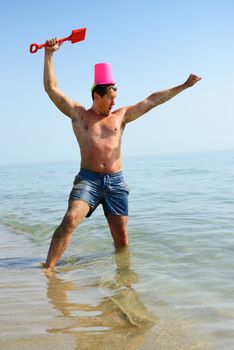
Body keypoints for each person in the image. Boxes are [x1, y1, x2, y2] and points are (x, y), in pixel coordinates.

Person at [43, 38, 201, 269]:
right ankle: (49, 270)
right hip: (89, 179)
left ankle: (124, 280)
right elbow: (52, 88)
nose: (113, 103)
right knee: (70, 219)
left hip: (116, 182)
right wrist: (49, 54)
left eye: (115, 98)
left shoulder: (121, 116)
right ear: (97, 95)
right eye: (110, 98)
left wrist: (183, 85)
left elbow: (152, 100)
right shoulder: (78, 114)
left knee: (122, 240)